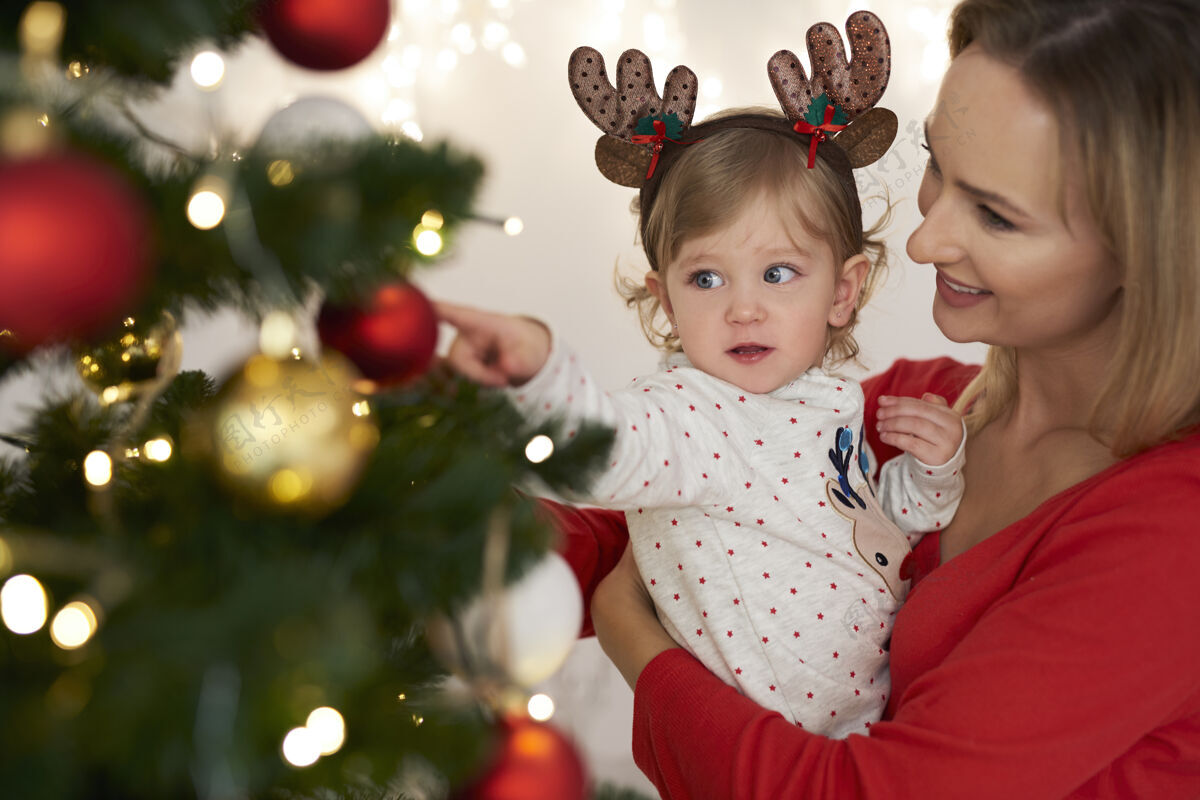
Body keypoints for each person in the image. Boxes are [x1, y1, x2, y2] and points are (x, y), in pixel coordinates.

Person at [560, 0, 1200, 797]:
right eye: (938, 166)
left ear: (1152, 249)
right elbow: (693, 487)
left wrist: (632, 637)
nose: (925, 241)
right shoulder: (915, 407)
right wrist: (442, 527)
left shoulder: (1174, 533)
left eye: (997, 215)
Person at [438, 13, 967, 737]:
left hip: (868, 714)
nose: (744, 310)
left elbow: (859, 527)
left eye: (778, 273)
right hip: (771, 733)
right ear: (665, 298)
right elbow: (606, 450)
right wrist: (540, 374)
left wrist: (932, 478)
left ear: (842, 292)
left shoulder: (825, 402)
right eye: (707, 278)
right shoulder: (687, 415)